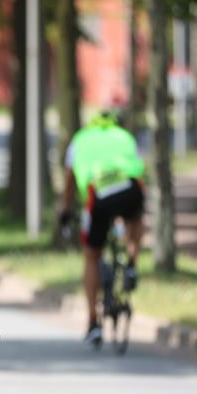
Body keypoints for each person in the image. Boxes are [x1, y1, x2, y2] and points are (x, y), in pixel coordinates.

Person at [59, 109, 146, 346]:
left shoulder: (79, 140)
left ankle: (93, 322)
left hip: (98, 194)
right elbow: (140, 170)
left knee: (91, 255)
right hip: (129, 188)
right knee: (136, 218)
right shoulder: (125, 136)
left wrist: (66, 212)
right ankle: (131, 264)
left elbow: (68, 182)